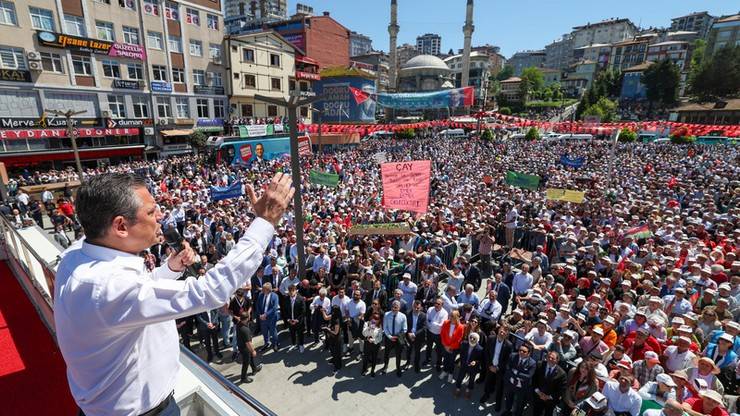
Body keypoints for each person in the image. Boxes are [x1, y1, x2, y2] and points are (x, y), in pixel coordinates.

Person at [54, 172, 292, 415]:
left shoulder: (78, 256)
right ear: (121, 226)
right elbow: (210, 291)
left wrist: (170, 270)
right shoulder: (107, 287)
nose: (160, 216)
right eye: (150, 212)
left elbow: (134, 297)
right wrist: (265, 222)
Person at [480, 324, 513, 408]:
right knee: (488, 381)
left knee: (499, 387)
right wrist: (490, 366)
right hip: (490, 366)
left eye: (505, 333)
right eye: (501, 331)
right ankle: (486, 394)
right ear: (498, 330)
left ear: (507, 334)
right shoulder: (491, 338)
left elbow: (507, 360)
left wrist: (497, 368)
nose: (502, 333)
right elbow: (486, 352)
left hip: (500, 369)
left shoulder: (509, 345)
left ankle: (498, 402)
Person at [501, 342, 537, 416]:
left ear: (529, 353)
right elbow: (508, 368)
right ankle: (508, 411)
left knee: (520, 403)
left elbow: (528, 376)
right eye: (520, 350)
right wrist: (519, 375)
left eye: (524, 351)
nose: (521, 352)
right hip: (510, 383)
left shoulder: (532, 363)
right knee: (508, 398)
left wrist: (515, 372)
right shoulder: (512, 356)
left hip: (522, 387)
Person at [532, 350, 567, 416]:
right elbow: (534, 380)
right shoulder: (540, 364)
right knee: (536, 413)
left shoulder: (562, 374)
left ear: (557, 360)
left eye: (552, 358)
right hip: (538, 396)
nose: (550, 359)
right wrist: (538, 392)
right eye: (548, 357)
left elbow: (561, 390)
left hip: (550, 401)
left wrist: (548, 397)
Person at [381, 300, 408, 377]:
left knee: (398, 355)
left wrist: (397, 336)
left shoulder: (403, 316)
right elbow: (385, 327)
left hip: (398, 338)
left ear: (399, 308)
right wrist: (390, 336)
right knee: (386, 353)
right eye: (393, 307)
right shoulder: (386, 315)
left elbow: (405, 329)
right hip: (389, 338)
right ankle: (385, 366)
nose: (394, 309)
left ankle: (398, 368)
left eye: (396, 307)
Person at [454, 332, 484, 398]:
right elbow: (461, 354)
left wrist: (475, 362)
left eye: (474, 338)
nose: (472, 339)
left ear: (477, 340)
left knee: (471, 379)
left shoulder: (480, 349)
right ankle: (458, 388)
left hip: (473, 367)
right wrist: (460, 361)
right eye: (471, 337)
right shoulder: (464, 344)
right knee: (460, 377)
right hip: (464, 364)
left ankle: (468, 390)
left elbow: (481, 359)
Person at [439, 310, 465, 383]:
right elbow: (442, 334)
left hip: (453, 348)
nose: (450, 317)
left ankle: (450, 373)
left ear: (457, 317)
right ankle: (445, 371)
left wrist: (450, 347)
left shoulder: (461, 327)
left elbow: (458, 340)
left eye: (452, 316)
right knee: (445, 359)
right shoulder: (445, 323)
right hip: (445, 346)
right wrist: (445, 345)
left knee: (451, 361)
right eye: (450, 315)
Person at [236, 312, 261, 384]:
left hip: (241, 345)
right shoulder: (245, 330)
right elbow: (248, 343)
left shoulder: (239, 324)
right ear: (247, 318)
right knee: (246, 362)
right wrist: (253, 351)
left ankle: (254, 369)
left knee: (251, 358)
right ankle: (243, 378)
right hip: (245, 348)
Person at [426, 297, 448, 371]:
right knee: (428, 347)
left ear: (442, 305)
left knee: (439, 350)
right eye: (435, 303)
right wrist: (434, 324)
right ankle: (427, 359)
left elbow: (441, 325)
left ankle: (438, 363)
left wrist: (431, 322)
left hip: (438, 334)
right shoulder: (430, 309)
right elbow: (427, 320)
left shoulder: (445, 313)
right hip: (429, 332)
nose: (436, 305)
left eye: (438, 304)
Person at [255, 282, 280, 352]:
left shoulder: (275, 296)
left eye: (264, 289)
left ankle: (275, 344)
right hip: (262, 318)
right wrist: (260, 315)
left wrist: (265, 315)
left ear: (268, 290)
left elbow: (274, 308)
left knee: (273, 331)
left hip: (271, 317)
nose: (262, 290)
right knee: (264, 332)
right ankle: (266, 343)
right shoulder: (260, 295)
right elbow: (257, 306)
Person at [405, 300, 427, 373]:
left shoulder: (423, 315)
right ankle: (408, 362)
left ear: (420, 308)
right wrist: (409, 333)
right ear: (412, 307)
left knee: (417, 352)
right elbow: (405, 325)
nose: (416, 309)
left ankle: (416, 365)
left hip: (418, 337)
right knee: (409, 351)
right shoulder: (408, 313)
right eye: (415, 307)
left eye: (418, 308)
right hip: (409, 336)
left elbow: (424, 328)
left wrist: (414, 334)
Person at [361, 313, 383, 377]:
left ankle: (372, 371)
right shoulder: (367, 323)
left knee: (374, 358)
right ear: (371, 318)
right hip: (367, 343)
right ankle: (364, 369)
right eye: (374, 318)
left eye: (377, 319)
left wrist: (374, 340)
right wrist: (369, 328)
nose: (375, 320)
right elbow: (364, 333)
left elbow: (380, 337)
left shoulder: (379, 326)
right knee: (366, 357)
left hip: (375, 344)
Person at [285, 284, 306, 352]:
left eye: (292, 291)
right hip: (290, 321)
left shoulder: (301, 299)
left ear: (296, 291)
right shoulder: (286, 299)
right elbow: (285, 310)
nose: (291, 292)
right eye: (290, 291)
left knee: (300, 334)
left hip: (299, 321)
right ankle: (293, 344)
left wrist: (297, 320)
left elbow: (303, 311)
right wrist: (288, 319)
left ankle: (301, 345)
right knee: (292, 333)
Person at [324, 305, 343, 373]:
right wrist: (323, 311)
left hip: (336, 339)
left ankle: (338, 367)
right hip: (332, 338)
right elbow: (326, 318)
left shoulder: (337, 320)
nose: (332, 312)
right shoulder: (332, 316)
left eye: (333, 311)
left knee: (337, 353)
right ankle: (334, 361)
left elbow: (335, 332)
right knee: (332, 351)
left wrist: (327, 329)